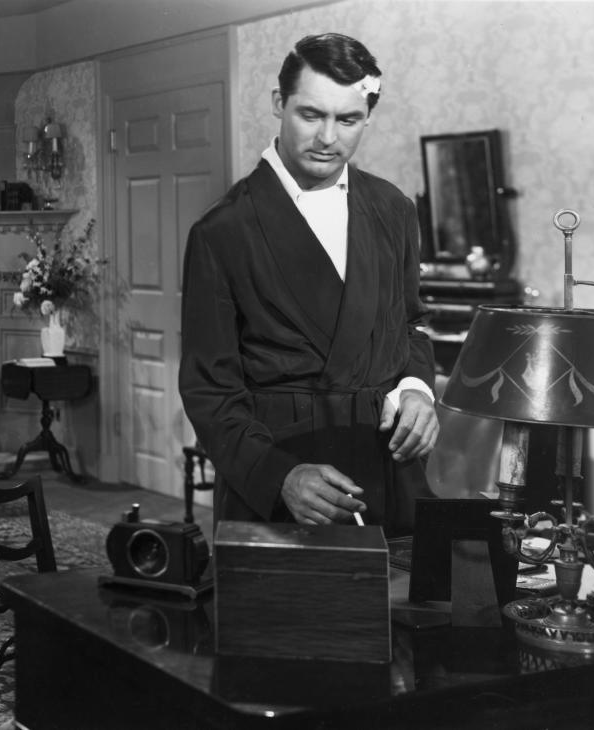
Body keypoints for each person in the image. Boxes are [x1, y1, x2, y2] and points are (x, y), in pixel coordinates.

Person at [179, 33, 439, 536]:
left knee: (406, 611)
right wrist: (281, 477)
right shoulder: (222, 231)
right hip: (284, 480)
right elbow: (209, 389)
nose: (327, 138)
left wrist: (416, 391)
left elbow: (411, 325)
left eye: (347, 120)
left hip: (387, 468)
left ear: (368, 116)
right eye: (310, 115)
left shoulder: (393, 210)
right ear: (279, 104)